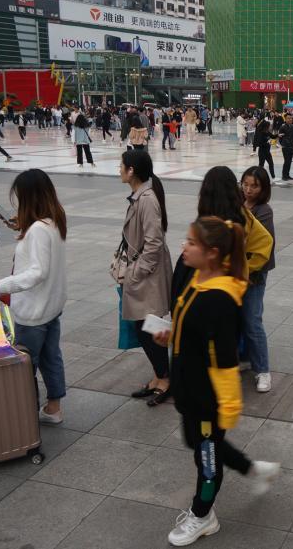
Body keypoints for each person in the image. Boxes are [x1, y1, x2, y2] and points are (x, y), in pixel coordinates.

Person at [156, 216, 280, 547]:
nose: (184, 246)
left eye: (191, 242)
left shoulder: (220, 299)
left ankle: (203, 515)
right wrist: (171, 335)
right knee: (198, 444)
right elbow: (194, 331)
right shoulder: (198, 279)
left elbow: (225, 360)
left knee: (207, 460)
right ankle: (254, 469)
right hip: (189, 391)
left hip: (207, 398)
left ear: (212, 252)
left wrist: (227, 407)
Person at [0, 170, 67, 424]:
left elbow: (37, 272)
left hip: (33, 311)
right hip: (51, 306)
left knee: (24, 365)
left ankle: (22, 414)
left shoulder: (38, 230)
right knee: (51, 358)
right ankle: (53, 408)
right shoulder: (54, 220)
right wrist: (23, 225)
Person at [116, 150, 173, 407]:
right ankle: (159, 377)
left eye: (122, 165)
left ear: (132, 171)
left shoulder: (147, 199)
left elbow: (154, 243)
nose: (119, 169)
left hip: (148, 274)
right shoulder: (141, 195)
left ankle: (165, 380)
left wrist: (135, 273)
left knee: (149, 328)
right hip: (145, 273)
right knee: (147, 328)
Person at [240, 167, 276, 393]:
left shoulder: (263, 210)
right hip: (236, 270)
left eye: (254, 186)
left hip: (254, 272)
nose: (248, 189)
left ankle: (263, 370)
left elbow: (263, 245)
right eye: (245, 184)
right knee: (240, 317)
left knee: (253, 319)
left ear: (263, 188)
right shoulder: (238, 204)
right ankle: (245, 358)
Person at [279, 113, 293, 181]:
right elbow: (280, 137)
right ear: (285, 119)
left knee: (289, 161)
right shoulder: (282, 127)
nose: (290, 119)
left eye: (291, 118)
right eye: (288, 118)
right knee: (286, 161)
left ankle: (287, 175)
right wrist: (283, 144)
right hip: (285, 147)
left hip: (291, 146)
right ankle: (284, 175)